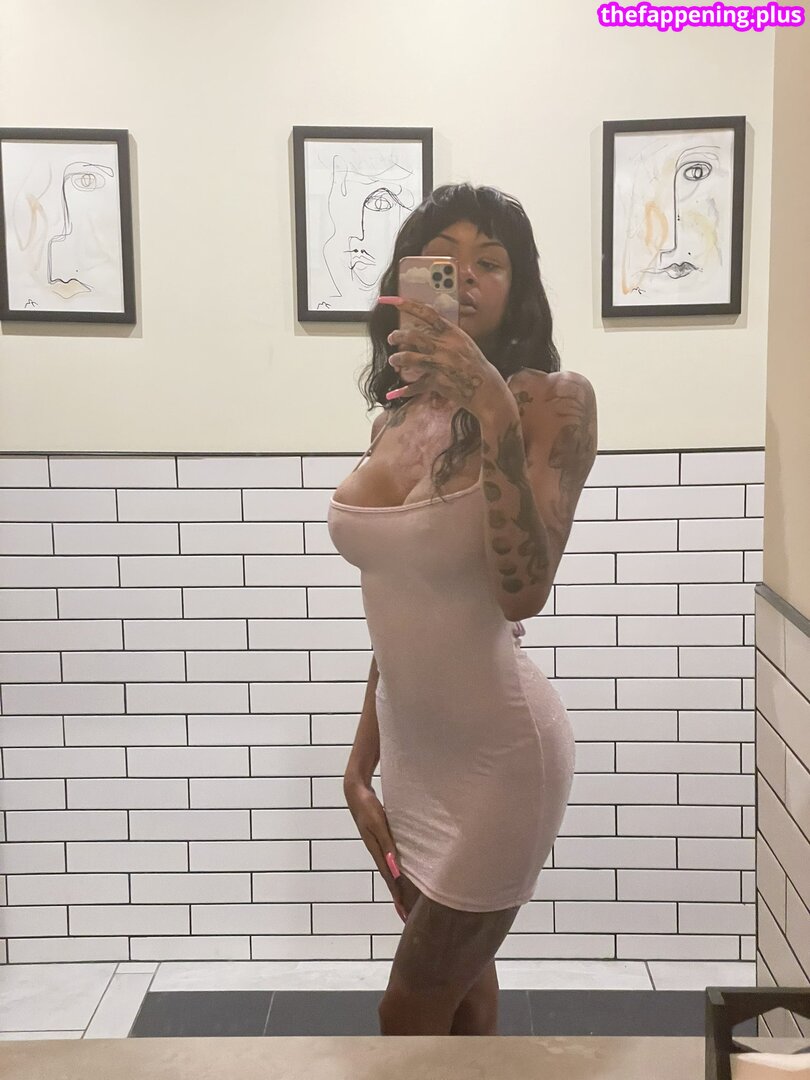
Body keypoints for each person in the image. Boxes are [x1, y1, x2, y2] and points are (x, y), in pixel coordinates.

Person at [327, 183, 598, 1036]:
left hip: (500, 761)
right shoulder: (397, 416)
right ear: (407, 283)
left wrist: (491, 404)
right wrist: (361, 762)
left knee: (408, 1008)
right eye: (444, 260)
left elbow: (525, 591)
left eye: (491, 262)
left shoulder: (551, 401)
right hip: (415, 758)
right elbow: (397, 607)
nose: (468, 277)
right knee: (466, 995)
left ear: (520, 286)